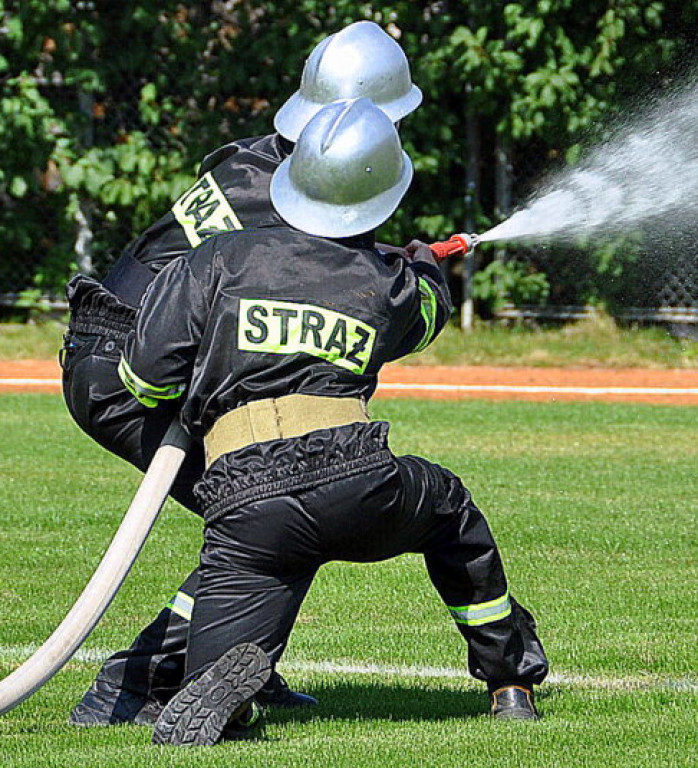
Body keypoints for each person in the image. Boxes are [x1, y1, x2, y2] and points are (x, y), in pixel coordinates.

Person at [113, 98, 548, 747]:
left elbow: (144, 377)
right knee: (451, 512)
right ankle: (509, 682)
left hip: (243, 498)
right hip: (356, 477)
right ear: (380, 192)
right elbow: (423, 316)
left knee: (224, 644)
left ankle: (227, 696)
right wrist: (421, 265)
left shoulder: (218, 259)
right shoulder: (387, 280)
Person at [61, 20, 422, 727]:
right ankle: (134, 685)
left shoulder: (261, 163)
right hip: (129, 368)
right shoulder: (283, 192)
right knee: (282, 502)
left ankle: (236, 665)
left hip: (116, 348)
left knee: (282, 504)